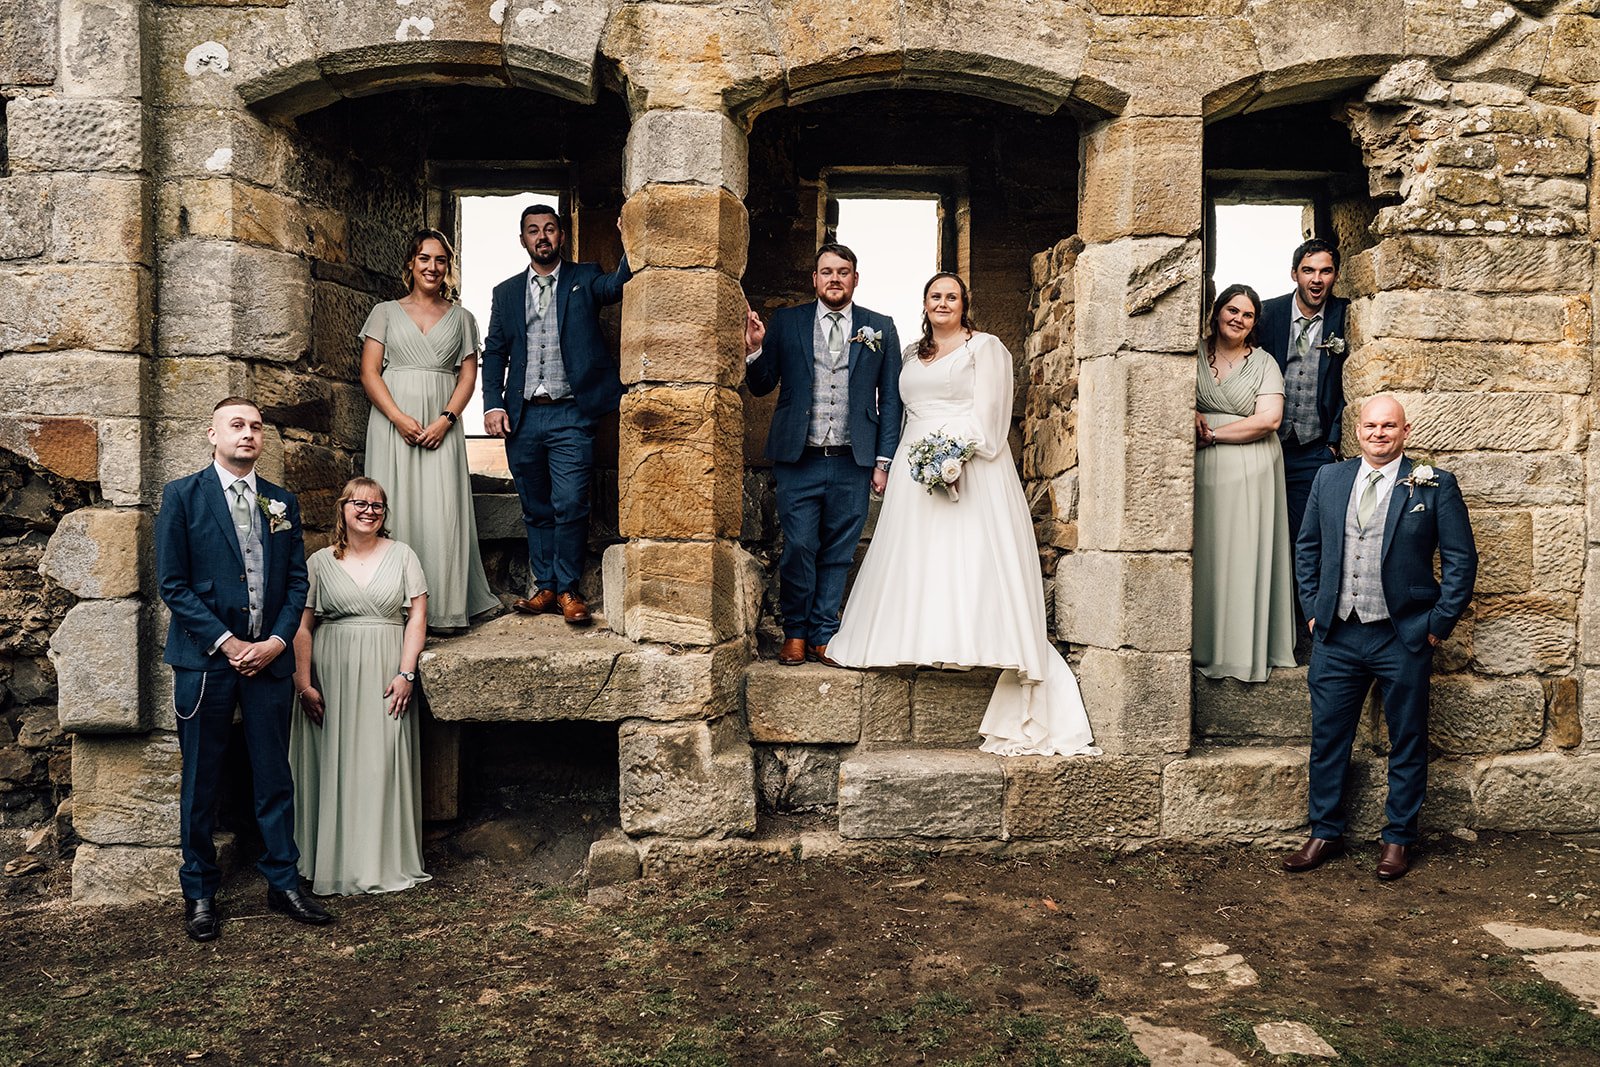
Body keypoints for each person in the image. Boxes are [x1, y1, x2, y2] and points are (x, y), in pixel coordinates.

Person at [827, 274, 1097, 756]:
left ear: (964, 303)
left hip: (968, 464)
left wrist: (953, 457)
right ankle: (919, 641)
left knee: (967, 554)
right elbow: (901, 412)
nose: (943, 303)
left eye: (951, 296)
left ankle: (974, 641)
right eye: (935, 296)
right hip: (914, 463)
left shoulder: (985, 348)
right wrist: (908, 461)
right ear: (924, 304)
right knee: (918, 555)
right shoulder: (911, 354)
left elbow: (990, 414)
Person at [155, 396, 333, 942]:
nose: (248, 434)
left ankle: (283, 883)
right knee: (201, 780)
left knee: (274, 775)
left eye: (256, 426)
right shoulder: (182, 496)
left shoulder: (281, 501)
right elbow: (173, 585)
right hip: (205, 662)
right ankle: (200, 892)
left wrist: (278, 642)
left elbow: (297, 581)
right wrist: (228, 642)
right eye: (237, 425)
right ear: (213, 434)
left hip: (270, 664)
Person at [1285, 396, 1477, 881]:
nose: (1379, 433)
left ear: (1404, 431)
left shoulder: (1434, 483)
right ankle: (1324, 831)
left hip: (1403, 635)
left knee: (1407, 739)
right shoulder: (1330, 478)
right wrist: (1313, 613)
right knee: (1329, 738)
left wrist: (1435, 626)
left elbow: (1461, 562)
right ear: (1358, 430)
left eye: (1388, 426)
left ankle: (1398, 838)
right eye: (1371, 425)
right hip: (1337, 635)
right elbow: (1308, 547)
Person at [744, 245, 904, 666]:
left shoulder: (880, 327)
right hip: (799, 459)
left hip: (853, 460)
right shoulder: (788, 322)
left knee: (839, 552)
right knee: (799, 545)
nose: (835, 279)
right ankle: (795, 632)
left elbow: (891, 400)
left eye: (843, 272)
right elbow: (762, 385)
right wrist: (755, 350)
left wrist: (883, 461)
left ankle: (823, 633)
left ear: (855, 279)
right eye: (827, 272)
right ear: (814, 279)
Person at [481, 204, 632, 625]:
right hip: (524, 416)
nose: (542, 236)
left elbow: (619, 284)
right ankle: (544, 587)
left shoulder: (585, 277)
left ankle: (568, 589)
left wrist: (629, 238)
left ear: (561, 236)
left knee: (570, 502)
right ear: (523, 240)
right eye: (533, 230)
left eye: (549, 229)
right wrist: (493, 403)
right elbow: (495, 351)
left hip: (571, 414)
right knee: (535, 507)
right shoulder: (506, 293)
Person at [289, 477, 431, 896]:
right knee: (333, 761)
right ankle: (329, 860)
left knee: (380, 763)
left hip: (387, 671)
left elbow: (417, 618)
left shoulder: (403, 555)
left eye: (377, 506)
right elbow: (302, 626)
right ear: (343, 508)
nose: (369, 511)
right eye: (360, 503)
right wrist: (303, 684)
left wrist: (407, 674)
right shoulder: (318, 562)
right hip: (330, 675)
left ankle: (378, 861)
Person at [360, 228, 498, 631]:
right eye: (424, 258)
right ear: (411, 263)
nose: (432, 267)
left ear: (448, 267)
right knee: (394, 505)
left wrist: (445, 420)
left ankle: (442, 608)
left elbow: (468, 378)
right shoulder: (384, 312)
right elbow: (369, 373)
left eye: (440, 260)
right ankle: (392, 604)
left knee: (443, 511)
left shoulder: (463, 318)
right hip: (392, 424)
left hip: (442, 426)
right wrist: (398, 417)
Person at [1193, 284, 1296, 682]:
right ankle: (1199, 644)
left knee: (1242, 557)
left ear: (1255, 323)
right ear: (1217, 311)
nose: (1238, 319)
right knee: (1207, 556)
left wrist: (1214, 434)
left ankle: (1240, 651)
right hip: (1200, 471)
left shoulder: (1265, 363)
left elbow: (1269, 419)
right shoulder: (1191, 354)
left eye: (1248, 314)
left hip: (1251, 470)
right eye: (1232, 310)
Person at [1259, 238, 1350, 660]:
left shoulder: (1346, 315)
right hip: (1265, 445)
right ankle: (1262, 629)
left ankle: (1305, 628)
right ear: (1294, 273)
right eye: (1309, 270)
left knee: (1307, 538)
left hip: (1314, 449)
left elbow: (1351, 382)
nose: (1317, 280)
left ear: (1335, 275)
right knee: (1262, 534)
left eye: (1325, 271)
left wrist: (1333, 441)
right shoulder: (1269, 313)